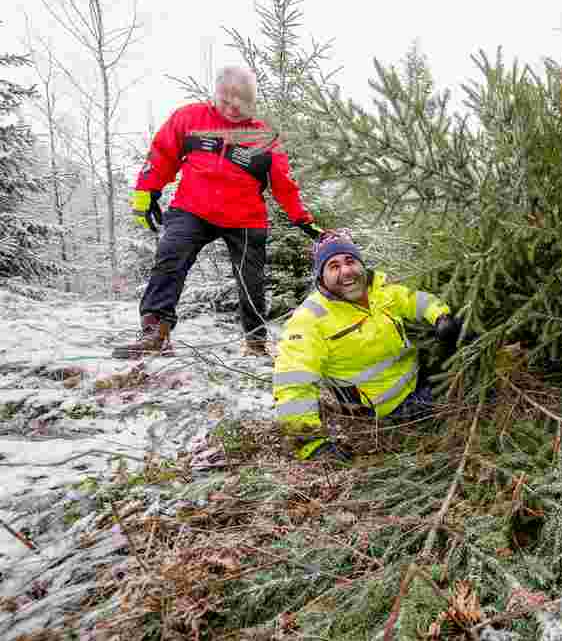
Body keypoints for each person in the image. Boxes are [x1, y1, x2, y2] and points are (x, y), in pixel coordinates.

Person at [113, 66, 325, 359]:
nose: (231, 108)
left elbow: (284, 185)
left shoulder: (264, 137)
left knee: (252, 279)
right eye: (225, 101)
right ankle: (155, 333)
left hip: (245, 218)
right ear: (216, 95)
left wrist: (303, 220)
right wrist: (146, 191)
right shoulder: (189, 118)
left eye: (240, 103)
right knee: (170, 255)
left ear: (252, 103)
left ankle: (255, 343)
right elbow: (162, 153)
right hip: (192, 207)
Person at [273, 233, 464, 460]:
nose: (346, 271)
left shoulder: (378, 289)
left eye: (350, 261)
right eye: (334, 266)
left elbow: (414, 299)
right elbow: (293, 380)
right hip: (385, 412)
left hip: (417, 379)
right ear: (321, 278)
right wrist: (309, 444)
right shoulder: (309, 320)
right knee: (469, 395)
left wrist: (440, 317)